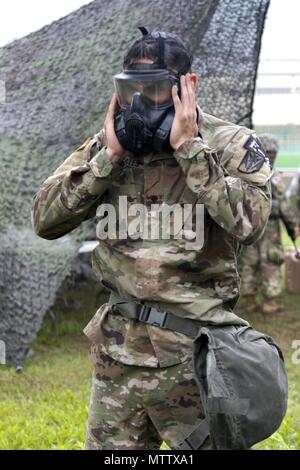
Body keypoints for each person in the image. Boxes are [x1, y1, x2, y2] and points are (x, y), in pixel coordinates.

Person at [32, 28, 272, 450]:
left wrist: (190, 150)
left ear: (187, 86)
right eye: (131, 90)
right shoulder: (108, 146)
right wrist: (108, 158)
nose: (141, 103)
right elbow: (45, 219)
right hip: (118, 358)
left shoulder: (229, 145)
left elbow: (251, 225)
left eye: (156, 90)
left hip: (197, 360)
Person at [240, 134, 300, 314]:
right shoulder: (273, 175)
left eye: (273, 152)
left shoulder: (244, 171)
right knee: (263, 262)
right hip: (260, 227)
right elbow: (282, 204)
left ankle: (253, 301)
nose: (272, 155)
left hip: (252, 226)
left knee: (258, 261)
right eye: (269, 151)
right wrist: (293, 224)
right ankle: (265, 302)